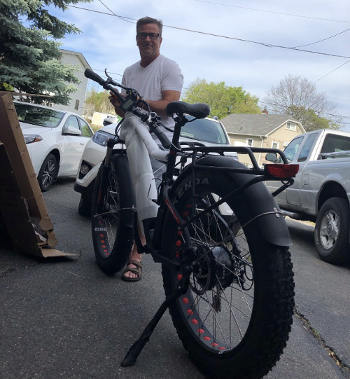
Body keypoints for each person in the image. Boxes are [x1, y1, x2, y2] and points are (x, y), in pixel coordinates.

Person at [110, 16, 183, 281]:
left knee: (148, 196)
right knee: (133, 196)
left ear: (160, 39)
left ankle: (136, 256)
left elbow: (169, 103)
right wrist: (118, 104)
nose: (148, 39)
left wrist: (139, 102)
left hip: (158, 138)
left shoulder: (169, 67)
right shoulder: (129, 71)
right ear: (137, 39)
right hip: (132, 134)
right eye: (143, 35)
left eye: (153, 35)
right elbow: (123, 111)